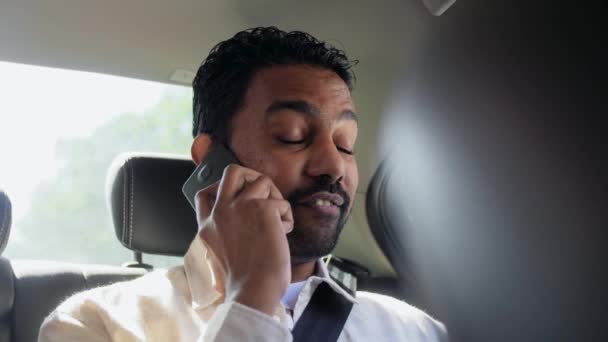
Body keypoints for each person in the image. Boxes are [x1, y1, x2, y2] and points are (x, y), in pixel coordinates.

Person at [38, 27, 447, 342]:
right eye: (291, 135)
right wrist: (252, 297)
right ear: (211, 161)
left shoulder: (413, 330)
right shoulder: (98, 323)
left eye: (346, 144)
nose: (333, 165)